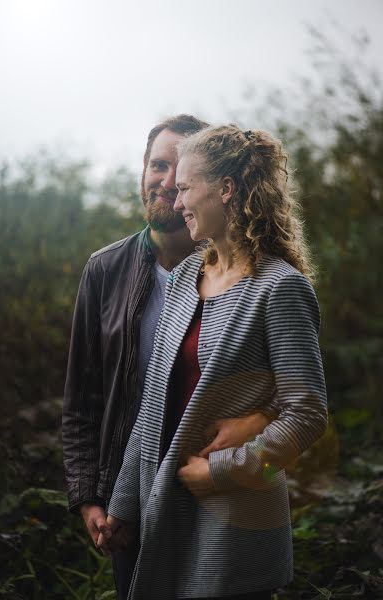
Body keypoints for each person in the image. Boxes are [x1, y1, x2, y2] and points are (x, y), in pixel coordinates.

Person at [99, 125, 328, 599]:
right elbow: (153, 404)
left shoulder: (279, 288)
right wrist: (123, 505)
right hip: (163, 502)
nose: (176, 202)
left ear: (226, 190)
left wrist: (224, 472)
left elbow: (307, 415)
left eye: (184, 188)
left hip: (235, 523)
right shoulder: (185, 275)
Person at [62, 116, 280, 600]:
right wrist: (90, 498)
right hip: (132, 502)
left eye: (180, 173)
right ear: (143, 171)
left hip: (220, 502)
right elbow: (82, 400)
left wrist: (259, 424)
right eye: (158, 166)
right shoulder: (104, 270)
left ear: (211, 186)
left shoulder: (253, 277)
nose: (167, 184)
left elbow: (295, 397)